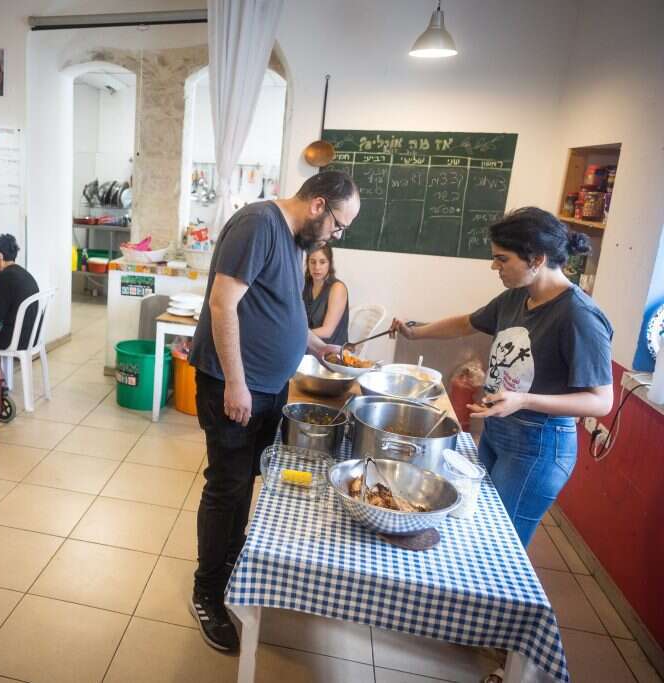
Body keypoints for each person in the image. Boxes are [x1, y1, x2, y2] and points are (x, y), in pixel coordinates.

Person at [186, 170, 360, 652]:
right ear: (320, 205)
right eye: (340, 225)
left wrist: (314, 345)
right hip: (236, 386)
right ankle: (206, 590)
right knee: (228, 483)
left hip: (269, 385)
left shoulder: (294, 239)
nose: (337, 236)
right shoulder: (258, 224)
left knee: (249, 477)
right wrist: (237, 384)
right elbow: (223, 306)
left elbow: (278, 308)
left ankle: (230, 556)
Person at [391, 207, 613, 547]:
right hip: (498, 434)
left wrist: (524, 399)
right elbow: (467, 322)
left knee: (497, 544)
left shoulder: (578, 315)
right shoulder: (518, 297)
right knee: (473, 526)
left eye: (502, 259)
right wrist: (415, 333)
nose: (495, 267)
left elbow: (601, 401)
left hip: (538, 446)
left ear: (536, 259)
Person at [0, 234, 39, 393]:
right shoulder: (23, 274)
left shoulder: (4, 278)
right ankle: (0, 383)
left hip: (14, 338)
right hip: (30, 335)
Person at [303, 244, 349, 346]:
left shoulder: (337, 288)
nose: (317, 267)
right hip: (309, 345)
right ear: (307, 263)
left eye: (322, 262)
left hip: (331, 353)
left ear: (330, 264)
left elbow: (327, 331)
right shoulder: (305, 285)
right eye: (312, 262)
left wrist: (295, 334)